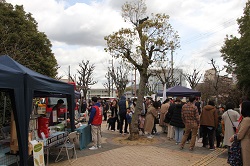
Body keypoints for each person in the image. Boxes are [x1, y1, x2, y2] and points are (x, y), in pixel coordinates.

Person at [229, 101, 250, 166]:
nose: (240, 108)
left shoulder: (246, 120)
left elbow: (240, 135)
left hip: (245, 144)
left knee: (246, 161)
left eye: (240, 107)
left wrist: (233, 137)